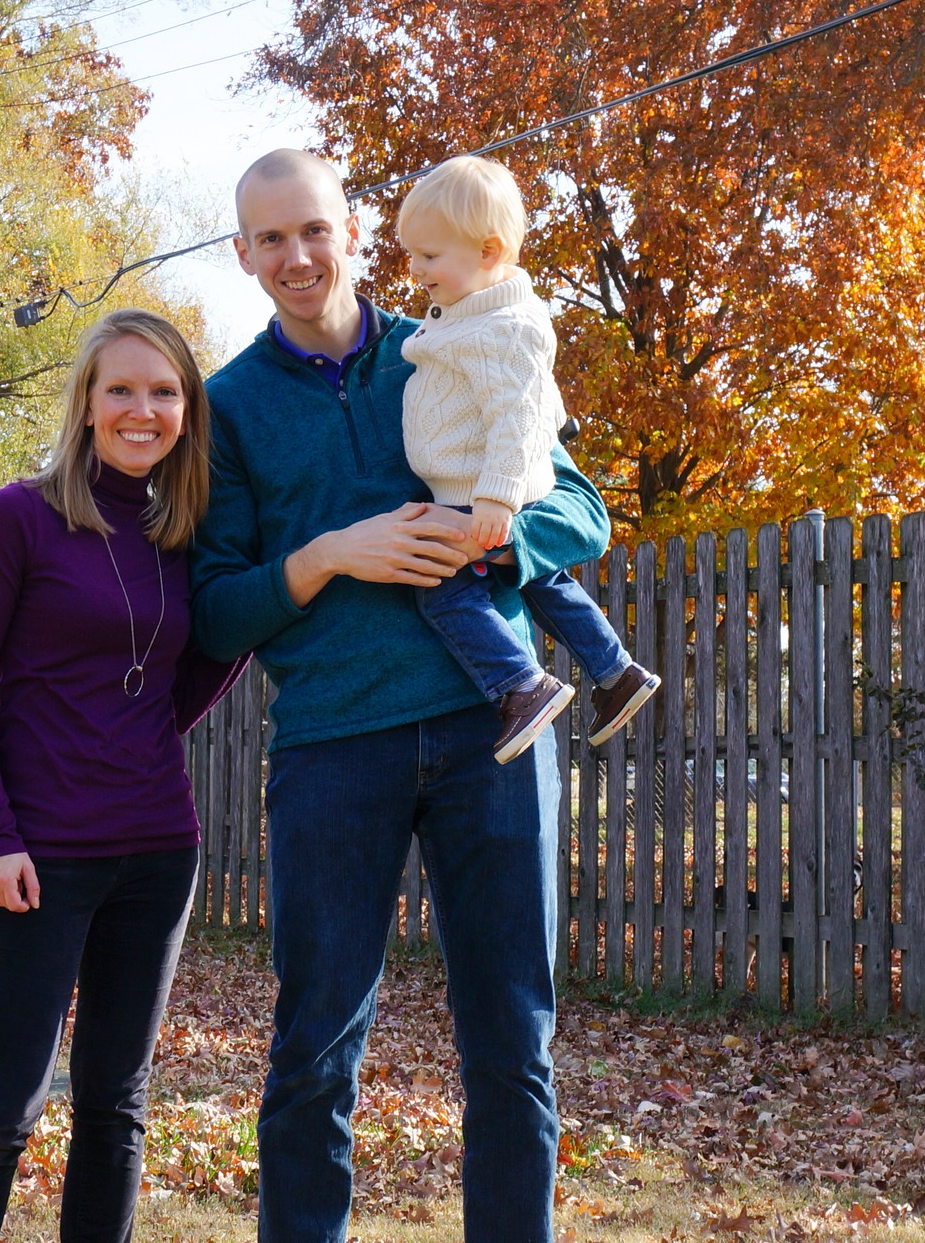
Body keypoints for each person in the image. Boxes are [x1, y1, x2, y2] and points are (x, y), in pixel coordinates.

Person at [190, 148, 617, 1243]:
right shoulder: (226, 408)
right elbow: (216, 608)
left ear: (350, 234)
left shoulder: (459, 333)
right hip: (333, 749)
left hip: (495, 737)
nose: (296, 255)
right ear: (243, 254)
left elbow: (583, 510)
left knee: (511, 1043)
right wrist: (332, 552)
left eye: (313, 230)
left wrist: (498, 533)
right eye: (271, 237)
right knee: (313, 1045)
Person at [0, 309, 245, 1243]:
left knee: (117, 1105)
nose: (141, 410)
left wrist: (130, 740)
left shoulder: (183, 533)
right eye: (121, 389)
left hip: (158, 855)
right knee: (6, 1104)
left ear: (186, 411)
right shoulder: (20, 516)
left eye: (163, 392)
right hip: (40, 859)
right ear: (87, 401)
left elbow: (205, 659)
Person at [396, 155, 659, 762]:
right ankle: (616, 674)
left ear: (488, 252)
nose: (416, 270)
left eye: (430, 257)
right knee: (543, 579)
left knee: (441, 590)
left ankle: (521, 684)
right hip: (473, 486)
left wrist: (495, 497)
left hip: (478, 491)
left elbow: (518, 417)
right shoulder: (474, 318)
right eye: (414, 255)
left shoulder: (503, 329)